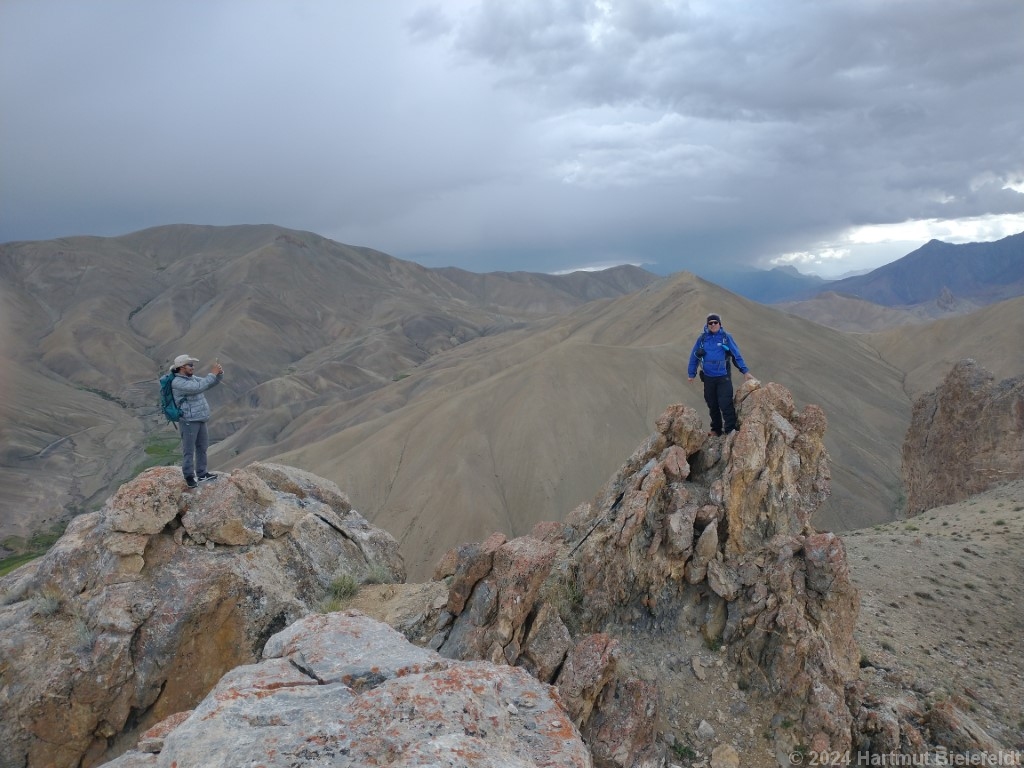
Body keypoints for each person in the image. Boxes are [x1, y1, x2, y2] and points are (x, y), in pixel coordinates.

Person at [687, 313, 754, 436]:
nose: (713, 325)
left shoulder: (726, 337)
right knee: (712, 404)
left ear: (720, 324)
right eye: (710, 323)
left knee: (725, 403)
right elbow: (694, 356)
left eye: (715, 322)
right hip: (708, 377)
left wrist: (745, 371)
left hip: (723, 376)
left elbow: (736, 355)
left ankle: (730, 430)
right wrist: (691, 373)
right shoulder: (702, 339)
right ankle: (716, 430)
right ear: (707, 325)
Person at [169, 354, 224, 488]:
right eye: (190, 365)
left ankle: (202, 473)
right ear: (182, 367)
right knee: (189, 450)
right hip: (188, 420)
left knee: (202, 447)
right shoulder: (178, 382)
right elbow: (199, 388)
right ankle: (188, 476)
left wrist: (219, 375)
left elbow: (208, 384)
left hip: (200, 418)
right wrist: (212, 374)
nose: (193, 367)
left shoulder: (191, 378)